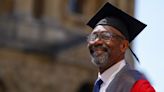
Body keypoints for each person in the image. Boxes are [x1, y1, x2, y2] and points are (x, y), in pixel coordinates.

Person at [86, 2, 155, 92]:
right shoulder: (99, 85)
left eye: (106, 36)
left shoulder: (137, 85)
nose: (97, 41)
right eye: (93, 36)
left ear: (123, 46)